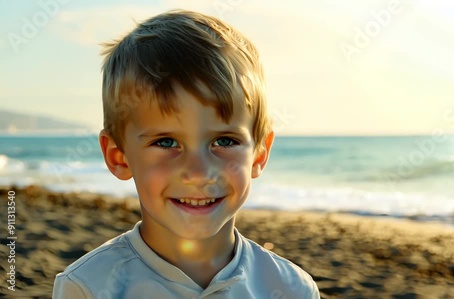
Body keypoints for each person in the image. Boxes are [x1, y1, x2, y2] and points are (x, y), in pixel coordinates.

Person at [53, 9, 320, 298]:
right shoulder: (87, 287)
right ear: (118, 157)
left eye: (225, 141)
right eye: (167, 142)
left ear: (258, 154)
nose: (198, 173)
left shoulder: (293, 288)